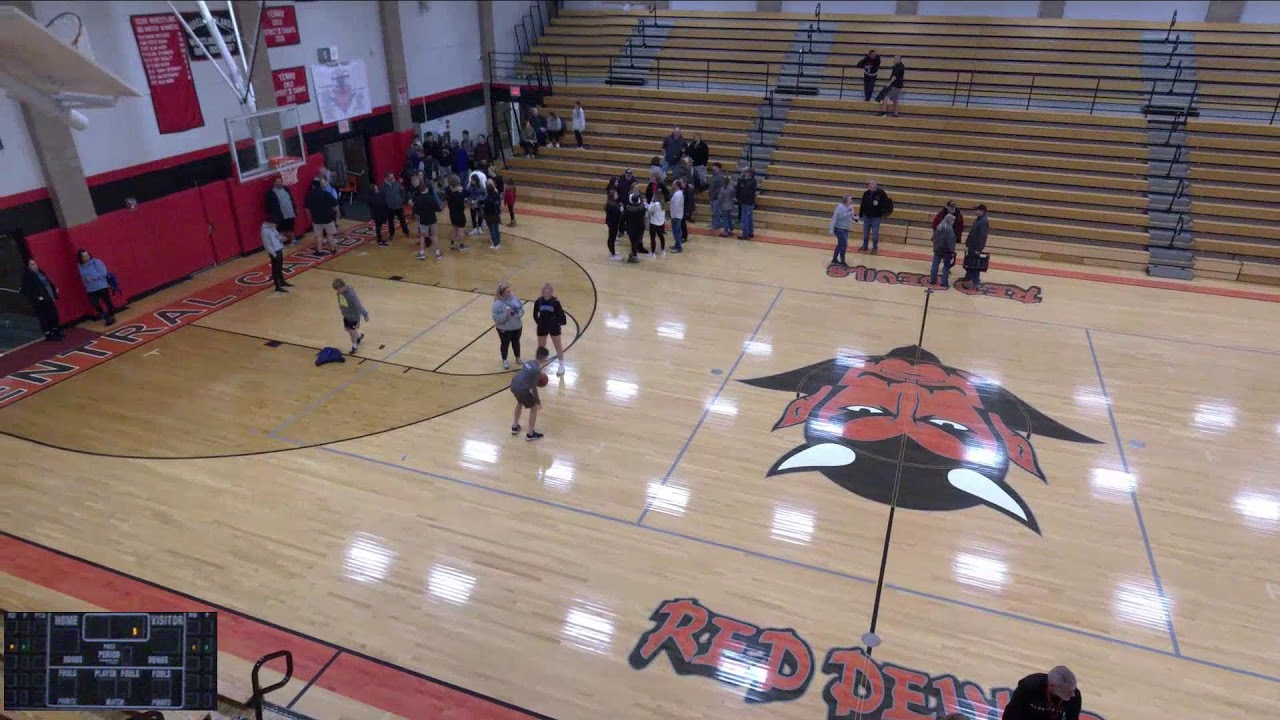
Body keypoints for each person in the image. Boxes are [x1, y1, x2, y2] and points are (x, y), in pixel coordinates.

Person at [1001, 666, 1081, 720]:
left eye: (1073, 689)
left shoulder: (1074, 697)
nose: (1073, 694)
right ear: (1052, 686)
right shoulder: (1029, 687)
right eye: (1068, 691)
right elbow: (1011, 713)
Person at [510, 346, 551, 442]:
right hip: (522, 389)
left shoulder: (529, 362)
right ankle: (530, 434)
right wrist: (537, 402)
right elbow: (534, 387)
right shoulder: (536, 369)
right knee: (533, 408)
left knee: (519, 402)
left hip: (514, 384)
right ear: (544, 358)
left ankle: (515, 427)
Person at [21, 258, 61, 341]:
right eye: (32, 264)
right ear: (28, 267)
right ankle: (48, 334)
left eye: (35, 263)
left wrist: (53, 289)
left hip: (49, 296)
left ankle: (55, 330)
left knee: (53, 315)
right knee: (44, 318)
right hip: (40, 301)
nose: (35, 266)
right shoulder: (28, 277)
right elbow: (27, 290)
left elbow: (47, 282)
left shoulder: (40, 272)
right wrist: (37, 298)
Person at [533, 283, 568, 376]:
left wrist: (557, 323)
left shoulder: (556, 302)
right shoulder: (538, 302)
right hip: (542, 327)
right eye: (545, 292)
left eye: (549, 292)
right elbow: (535, 314)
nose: (547, 293)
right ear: (542, 292)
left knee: (558, 346)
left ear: (552, 292)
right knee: (541, 347)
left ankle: (561, 365)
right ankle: (538, 364)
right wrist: (539, 323)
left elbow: (562, 317)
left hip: (554, 327)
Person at [76, 249, 117, 326]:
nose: (86, 257)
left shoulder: (96, 262)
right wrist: (85, 283)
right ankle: (106, 316)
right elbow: (82, 276)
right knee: (95, 304)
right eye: (84, 256)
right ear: (80, 258)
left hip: (101, 286)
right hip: (90, 289)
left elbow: (103, 272)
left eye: (87, 255)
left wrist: (92, 277)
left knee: (107, 302)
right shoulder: (80, 266)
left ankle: (111, 316)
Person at [492, 282, 525, 370]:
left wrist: (520, 313)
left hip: (517, 327)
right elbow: (496, 319)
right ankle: (505, 360)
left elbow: (521, 308)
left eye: (510, 291)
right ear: (502, 293)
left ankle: (518, 358)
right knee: (505, 344)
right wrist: (506, 314)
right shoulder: (497, 304)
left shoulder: (514, 298)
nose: (510, 293)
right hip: (504, 329)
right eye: (507, 292)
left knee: (516, 342)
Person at [332, 278, 369, 354]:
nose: (337, 291)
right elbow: (342, 302)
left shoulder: (351, 295)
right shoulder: (340, 293)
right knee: (348, 329)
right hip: (346, 315)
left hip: (353, 316)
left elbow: (358, 305)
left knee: (352, 332)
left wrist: (365, 314)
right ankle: (358, 338)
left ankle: (354, 347)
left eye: (338, 289)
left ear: (342, 287)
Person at [305, 178, 340, 256]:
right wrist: (337, 213)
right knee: (330, 235)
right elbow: (335, 204)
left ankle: (319, 251)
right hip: (328, 218)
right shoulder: (326, 194)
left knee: (318, 236)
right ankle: (333, 249)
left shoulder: (309, 195)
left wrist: (309, 218)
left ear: (313, 186)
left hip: (316, 219)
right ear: (320, 186)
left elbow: (307, 209)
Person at [858, 179, 891, 253]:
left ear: (876, 184)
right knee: (865, 233)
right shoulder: (866, 193)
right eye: (869, 184)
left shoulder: (881, 193)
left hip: (876, 217)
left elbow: (887, 203)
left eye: (872, 184)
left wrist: (883, 213)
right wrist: (861, 215)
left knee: (875, 234)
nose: (870, 185)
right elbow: (862, 204)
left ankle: (875, 248)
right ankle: (865, 246)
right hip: (866, 216)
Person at [411, 179, 441, 260]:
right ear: (426, 189)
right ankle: (437, 254)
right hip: (432, 220)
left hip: (423, 221)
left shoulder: (418, 200)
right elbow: (438, 209)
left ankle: (422, 253)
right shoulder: (432, 198)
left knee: (422, 237)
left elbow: (416, 211)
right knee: (434, 236)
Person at [265, 176, 297, 245]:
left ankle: (293, 240)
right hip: (280, 214)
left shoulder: (286, 189)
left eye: (281, 182)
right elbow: (268, 205)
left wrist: (295, 208)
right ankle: (280, 244)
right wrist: (273, 214)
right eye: (278, 182)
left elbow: (291, 199)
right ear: (274, 183)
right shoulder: (271, 193)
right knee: (281, 230)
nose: (280, 183)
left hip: (290, 212)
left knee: (290, 228)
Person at [963, 204, 990, 287]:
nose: (975, 211)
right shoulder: (978, 220)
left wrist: (979, 249)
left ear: (982, 211)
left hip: (975, 247)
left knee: (975, 264)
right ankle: (968, 277)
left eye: (977, 210)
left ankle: (974, 281)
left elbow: (983, 236)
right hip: (972, 245)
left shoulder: (983, 221)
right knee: (970, 262)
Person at [261, 220, 291, 292]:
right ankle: (277, 286)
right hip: (274, 252)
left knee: (280, 266)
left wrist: (282, 239)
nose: (275, 226)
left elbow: (277, 236)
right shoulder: (265, 231)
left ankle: (282, 281)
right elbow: (267, 245)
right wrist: (273, 254)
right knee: (275, 269)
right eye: (275, 224)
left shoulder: (273, 228)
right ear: (270, 223)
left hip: (279, 249)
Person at [929, 213, 957, 289]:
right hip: (946, 251)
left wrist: (935, 247)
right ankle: (944, 282)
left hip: (937, 249)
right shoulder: (949, 230)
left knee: (935, 265)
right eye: (952, 220)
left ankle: (933, 280)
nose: (953, 222)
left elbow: (934, 238)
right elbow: (951, 242)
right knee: (946, 267)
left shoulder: (939, 226)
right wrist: (952, 251)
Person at [828, 194, 856, 266]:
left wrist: (855, 219)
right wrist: (831, 229)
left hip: (846, 228)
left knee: (840, 244)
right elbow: (834, 218)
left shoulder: (851, 207)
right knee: (844, 244)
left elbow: (851, 216)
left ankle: (834, 259)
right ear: (845, 200)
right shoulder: (839, 208)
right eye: (850, 199)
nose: (851, 201)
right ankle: (842, 260)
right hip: (839, 228)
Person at [444, 175, 470, 252]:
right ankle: (461, 245)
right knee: (460, 230)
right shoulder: (460, 194)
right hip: (459, 214)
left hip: (452, 213)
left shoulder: (448, 191)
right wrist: (460, 190)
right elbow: (467, 193)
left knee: (454, 229)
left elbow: (449, 191)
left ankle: (452, 244)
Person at [624, 191, 648, 263]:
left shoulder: (627, 209)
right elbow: (642, 206)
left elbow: (623, 219)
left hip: (630, 228)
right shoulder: (642, 209)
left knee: (633, 242)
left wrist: (622, 228)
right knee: (636, 241)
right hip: (639, 228)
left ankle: (633, 254)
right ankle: (634, 255)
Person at [735, 167, 758, 239]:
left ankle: (745, 234)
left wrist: (742, 181)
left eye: (744, 172)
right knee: (749, 218)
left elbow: (745, 190)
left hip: (747, 202)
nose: (743, 173)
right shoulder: (751, 181)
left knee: (745, 218)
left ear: (748, 173)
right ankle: (750, 232)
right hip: (749, 202)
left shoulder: (751, 182)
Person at [484, 179, 503, 249]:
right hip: (496, 214)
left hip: (490, 215)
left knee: (492, 230)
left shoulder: (488, 198)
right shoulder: (497, 195)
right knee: (496, 229)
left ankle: (495, 244)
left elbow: (486, 206)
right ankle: (498, 243)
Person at [715, 170, 735, 237]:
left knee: (725, 219)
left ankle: (726, 231)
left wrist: (719, 203)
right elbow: (733, 196)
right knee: (729, 217)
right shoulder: (732, 188)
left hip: (724, 206)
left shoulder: (722, 189)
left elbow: (719, 198)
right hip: (730, 205)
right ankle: (731, 228)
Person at [646, 192, 667, 257]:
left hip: (654, 223)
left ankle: (653, 253)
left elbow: (649, 210)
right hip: (661, 223)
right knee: (661, 237)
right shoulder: (663, 204)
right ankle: (663, 250)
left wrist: (651, 201)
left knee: (653, 238)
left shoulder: (655, 204)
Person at [605, 189, 623, 260]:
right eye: (616, 194)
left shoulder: (611, 203)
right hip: (613, 223)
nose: (617, 196)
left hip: (612, 223)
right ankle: (613, 253)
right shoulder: (612, 205)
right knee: (612, 238)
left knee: (612, 237)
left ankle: (613, 252)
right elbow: (617, 215)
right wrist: (621, 211)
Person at [669, 180, 686, 253]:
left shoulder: (677, 195)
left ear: (676, 185)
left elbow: (676, 206)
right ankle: (677, 244)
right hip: (677, 215)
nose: (672, 185)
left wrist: (673, 216)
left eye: (673, 184)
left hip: (676, 216)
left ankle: (679, 247)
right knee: (677, 231)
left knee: (676, 231)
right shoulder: (678, 193)